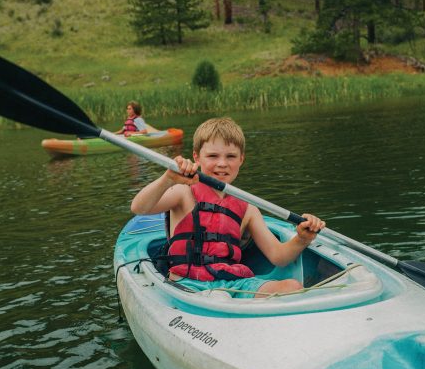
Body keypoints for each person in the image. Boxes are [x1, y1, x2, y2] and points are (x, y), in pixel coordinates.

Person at [130, 117, 325, 298]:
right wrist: (167, 179)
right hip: (189, 284)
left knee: (292, 287)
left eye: (231, 156)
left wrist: (302, 238)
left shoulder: (248, 209)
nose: (222, 163)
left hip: (234, 284)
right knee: (218, 298)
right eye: (213, 156)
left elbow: (279, 257)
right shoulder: (183, 191)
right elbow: (139, 207)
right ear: (197, 157)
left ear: (241, 159)